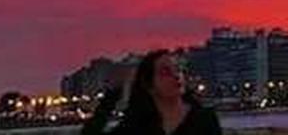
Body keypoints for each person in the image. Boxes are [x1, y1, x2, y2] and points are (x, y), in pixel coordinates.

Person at [82, 50, 221, 135]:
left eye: (178, 69)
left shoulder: (204, 119)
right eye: (165, 72)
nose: (176, 75)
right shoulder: (138, 127)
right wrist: (112, 95)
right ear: (149, 85)